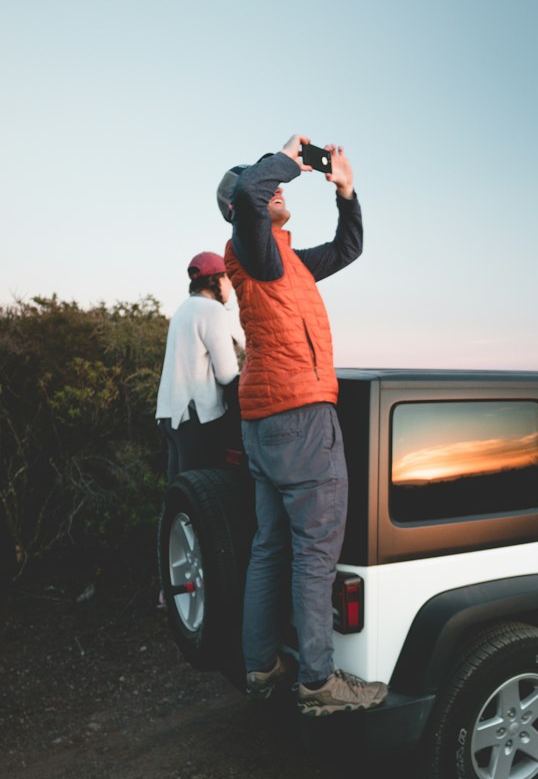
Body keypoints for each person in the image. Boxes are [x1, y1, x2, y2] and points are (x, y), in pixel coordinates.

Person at [217, 134, 387, 717]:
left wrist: (346, 191)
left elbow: (348, 250)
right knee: (315, 552)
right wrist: (286, 153)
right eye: (275, 187)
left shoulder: (285, 261)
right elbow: (247, 190)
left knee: (271, 547)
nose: (281, 189)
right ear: (247, 209)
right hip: (299, 417)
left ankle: (261, 664)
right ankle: (318, 681)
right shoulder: (254, 249)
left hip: (267, 421)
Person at [155, 251, 244, 480]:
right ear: (216, 280)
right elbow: (226, 374)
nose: (231, 286)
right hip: (197, 417)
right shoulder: (212, 310)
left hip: (170, 414)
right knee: (200, 495)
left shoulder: (182, 310)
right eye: (228, 278)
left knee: (179, 494)